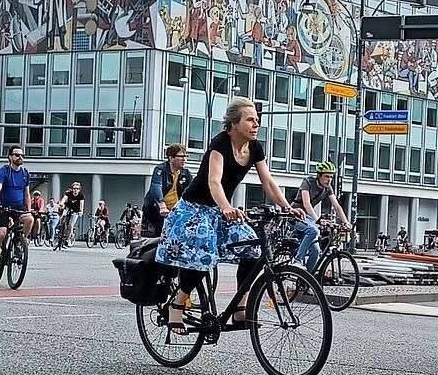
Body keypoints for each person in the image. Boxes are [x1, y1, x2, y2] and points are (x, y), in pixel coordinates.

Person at [158, 97, 301, 330]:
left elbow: (268, 182)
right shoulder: (220, 144)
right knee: (204, 249)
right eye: (250, 120)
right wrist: (226, 207)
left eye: (257, 120)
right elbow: (214, 182)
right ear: (234, 123)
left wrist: (287, 207)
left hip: (221, 210)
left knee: (252, 248)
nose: (256, 124)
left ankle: (239, 307)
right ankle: (178, 302)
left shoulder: (254, 148)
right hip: (193, 209)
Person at [291, 161, 352, 272]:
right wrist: (318, 220)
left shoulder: (328, 188)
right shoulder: (308, 182)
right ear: (319, 176)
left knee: (316, 251)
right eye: (327, 176)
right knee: (313, 230)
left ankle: (306, 282)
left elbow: (337, 206)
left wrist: (346, 222)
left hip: (308, 218)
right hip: (295, 215)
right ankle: (297, 260)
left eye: (331, 177)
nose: (329, 180)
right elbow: (307, 204)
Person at [0, 145, 34, 261]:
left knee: (30, 219)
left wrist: (28, 209)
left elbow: (27, 194)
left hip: (18, 205)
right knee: (1, 234)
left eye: (22, 155)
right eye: (17, 155)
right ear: (10, 157)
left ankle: (20, 242)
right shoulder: (4, 171)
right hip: (2, 206)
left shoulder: (25, 173)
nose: (20, 157)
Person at [143, 144, 192, 237]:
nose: (184, 159)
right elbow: (156, 186)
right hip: (156, 209)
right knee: (160, 233)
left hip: (175, 211)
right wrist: (162, 206)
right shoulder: (160, 170)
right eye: (181, 156)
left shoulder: (186, 173)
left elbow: (193, 191)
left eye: (185, 156)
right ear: (171, 158)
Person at [57, 181, 86, 245]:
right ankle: (60, 227)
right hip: (68, 208)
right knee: (63, 215)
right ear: (72, 189)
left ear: (79, 190)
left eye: (77, 189)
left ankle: (68, 239)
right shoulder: (68, 193)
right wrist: (61, 204)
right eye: (74, 188)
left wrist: (81, 211)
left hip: (75, 210)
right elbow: (64, 199)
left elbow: (81, 204)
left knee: (71, 225)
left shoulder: (81, 196)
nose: (75, 190)